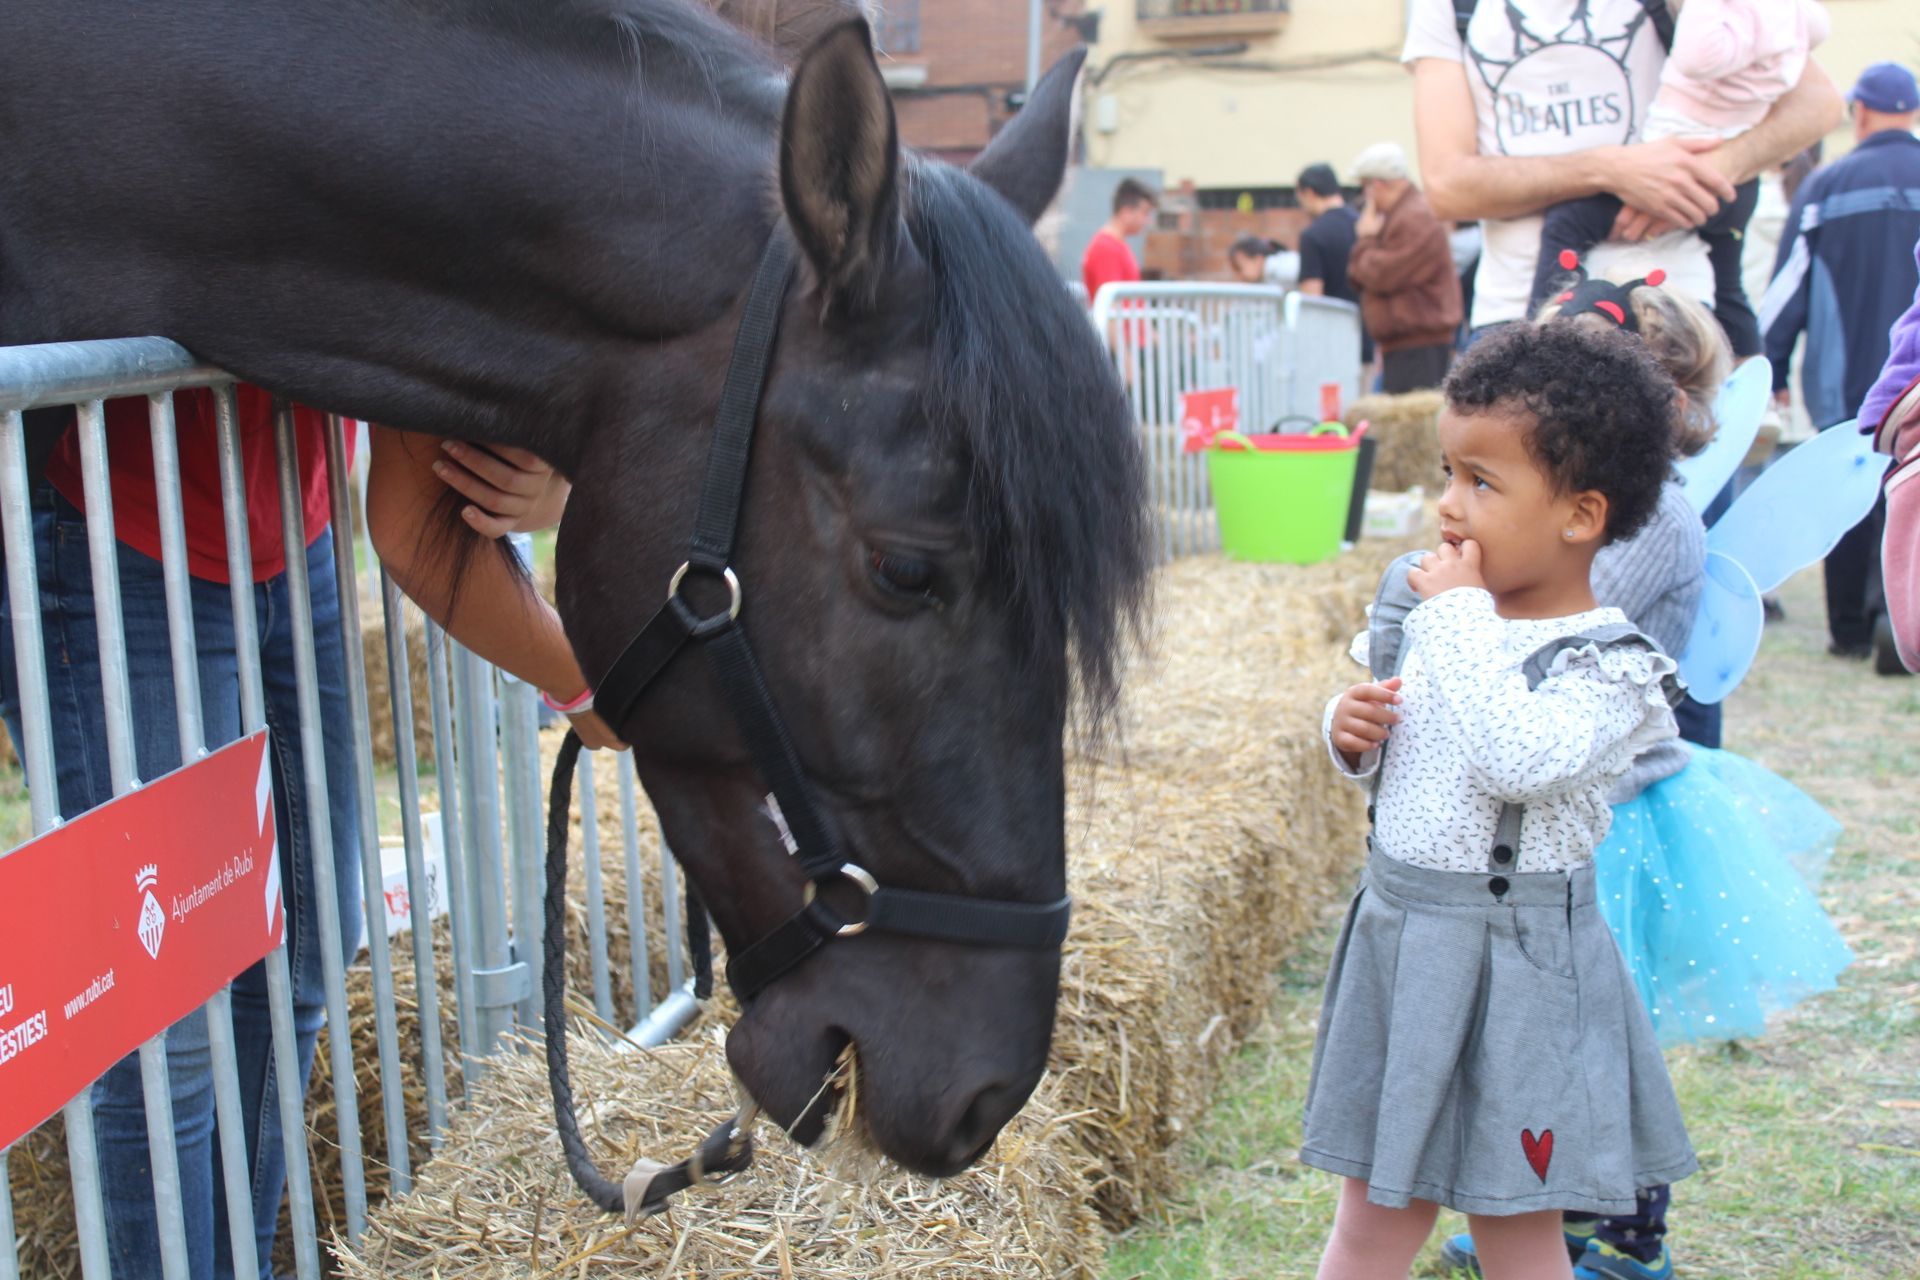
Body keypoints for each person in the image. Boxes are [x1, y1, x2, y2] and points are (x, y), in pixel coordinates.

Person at [0, 392, 615, 1280]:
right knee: (158, 1032)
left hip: (291, 523)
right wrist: (587, 685)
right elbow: (410, 513)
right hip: (114, 520)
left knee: (308, 951)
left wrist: (556, 463)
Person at [1443, 275, 1852, 1280]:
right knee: (1548, 1036)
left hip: (1616, 808)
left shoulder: (1651, 517)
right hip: (1564, 797)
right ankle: (1549, 1218)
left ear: (1656, 399)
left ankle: (1631, 1236)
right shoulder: (1591, 504)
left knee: (1601, 1036)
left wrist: (1464, 603)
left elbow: (1553, 631)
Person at [1310, 322, 1696, 1280]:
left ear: (1580, 516)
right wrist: (1348, 730)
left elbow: (1521, 759)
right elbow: (1413, 752)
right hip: (1406, 944)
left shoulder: (1610, 667)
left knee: (1516, 1227)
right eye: (1447, 472)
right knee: (1372, 1217)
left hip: (1521, 971)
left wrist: (1455, 618)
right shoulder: (1443, 618)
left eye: (1483, 483)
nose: (1448, 506)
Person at [1403, 0, 1840, 343]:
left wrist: (1694, 177)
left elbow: (1817, 104)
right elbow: (1447, 185)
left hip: (1668, 314)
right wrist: (1608, 169)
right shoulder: (1452, 5)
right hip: (1516, 315)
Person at [1521, 0, 1829, 357]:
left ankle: (1537, 347)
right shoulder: (1785, 13)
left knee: (1567, 223)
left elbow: (1697, 59)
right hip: (1737, 181)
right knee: (1728, 282)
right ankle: (1751, 375)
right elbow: (1817, 28)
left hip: (1679, 162)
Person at [1761, 61, 1920, 659]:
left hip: (1846, 377)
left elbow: (1785, 291)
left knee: (1850, 494)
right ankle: (1900, 611)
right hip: (1919, 382)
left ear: (1858, 112)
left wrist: (1771, 366)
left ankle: (1851, 629)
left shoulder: (1826, 185)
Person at [1346, 141, 1464, 392]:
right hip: (1410, 340)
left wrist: (1365, 239)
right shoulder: (1405, 214)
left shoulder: (1413, 216)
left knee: (1412, 425)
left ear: (1376, 185)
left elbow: (1379, 275)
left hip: (1417, 342)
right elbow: (1363, 274)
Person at [1080, 177, 1156, 302]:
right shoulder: (1106, 248)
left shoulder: (1116, 245)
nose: (1147, 221)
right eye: (1145, 213)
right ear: (1126, 211)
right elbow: (1110, 307)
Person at [1226, 234, 1301, 290]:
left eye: (1239, 268)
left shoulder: (1283, 266)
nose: (1239, 276)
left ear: (1258, 259)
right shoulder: (1260, 281)